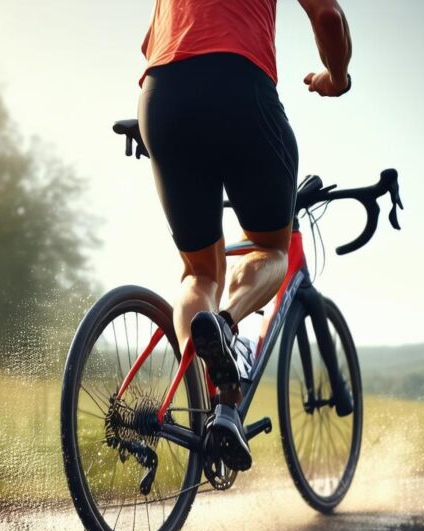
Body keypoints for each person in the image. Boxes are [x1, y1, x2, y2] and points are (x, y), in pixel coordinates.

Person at [138, 0, 352, 471]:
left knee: (199, 275)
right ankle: (228, 322)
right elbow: (330, 18)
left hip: (162, 96)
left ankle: (219, 399)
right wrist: (336, 78)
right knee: (270, 247)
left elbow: (160, 42)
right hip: (239, 89)